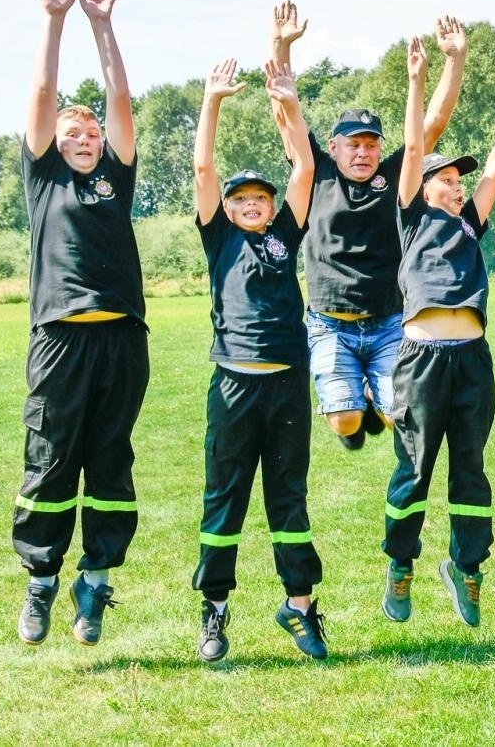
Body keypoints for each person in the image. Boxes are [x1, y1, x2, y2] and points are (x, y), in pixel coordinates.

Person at [15, 0, 149, 648]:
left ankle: (94, 582)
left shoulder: (116, 180)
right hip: (60, 338)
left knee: (110, 461)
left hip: (121, 339)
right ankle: (41, 581)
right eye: (71, 133)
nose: (84, 138)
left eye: (90, 132)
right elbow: (43, 94)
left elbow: (120, 98)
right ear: (52, 144)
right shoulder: (44, 179)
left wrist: (104, 25)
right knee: (50, 459)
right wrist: (55, 19)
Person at [272, 6, 467, 449]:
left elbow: (433, 123)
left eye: (371, 145)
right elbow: (284, 114)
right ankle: (352, 411)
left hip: (387, 322)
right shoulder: (315, 171)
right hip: (330, 323)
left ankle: (370, 401)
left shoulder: (396, 175)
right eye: (353, 144)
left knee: (398, 415)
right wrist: (281, 45)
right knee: (344, 421)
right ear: (335, 146)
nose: (363, 153)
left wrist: (454, 59)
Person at [379, 39, 495, 627]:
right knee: (415, 468)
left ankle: (467, 569)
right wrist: (419, 80)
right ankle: (400, 565)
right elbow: (415, 146)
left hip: (472, 358)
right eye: (445, 178)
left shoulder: (468, 224)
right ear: (423, 186)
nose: (457, 184)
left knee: (470, 467)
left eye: (457, 180)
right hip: (420, 360)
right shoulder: (412, 217)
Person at [191, 58, 326, 661]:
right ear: (227, 208)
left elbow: (305, 168)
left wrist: (290, 103)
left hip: (287, 385)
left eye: (260, 198)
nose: (251, 203)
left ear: (272, 208)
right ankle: (215, 609)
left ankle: (300, 606)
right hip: (234, 385)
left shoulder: (283, 236)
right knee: (225, 498)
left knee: (288, 498)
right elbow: (203, 167)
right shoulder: (219, 237)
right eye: (241, 198)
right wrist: (212, 100)